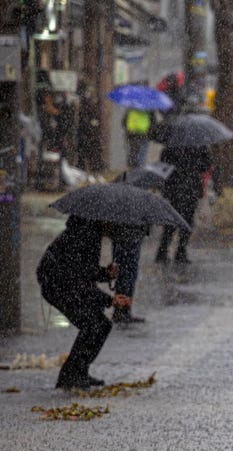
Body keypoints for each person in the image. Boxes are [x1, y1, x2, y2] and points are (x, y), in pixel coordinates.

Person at [38, 216, 144, 389]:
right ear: (105, 220)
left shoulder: (88, 232)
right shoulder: (84, 236)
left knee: (98, 324)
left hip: (61, 284)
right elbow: (78, 281)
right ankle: (71, 375)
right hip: (57, 286)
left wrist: (105, 274)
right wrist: (110, 300)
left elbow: (84, 271)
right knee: (94, 324)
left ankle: (77, 372)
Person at [156, 145, 213, 264]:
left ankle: (163, 251)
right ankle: (180, 252)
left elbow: (163, 163)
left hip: (174, 187)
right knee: (187, 221)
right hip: (190, 187)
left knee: (171, 220)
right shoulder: (199, 145)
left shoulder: (171, 145)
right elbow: (206, 165)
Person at [76, 82, 104, 173]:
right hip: (87, 133)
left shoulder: (92, 104)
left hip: (90, 134)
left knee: (89, 153)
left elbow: (95, 119)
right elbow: (85, 119)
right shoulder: (85, 104)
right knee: (85, 153)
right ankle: (86, 170)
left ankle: (92, 170)